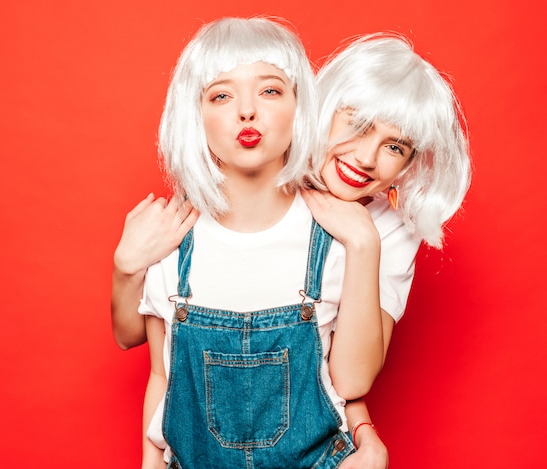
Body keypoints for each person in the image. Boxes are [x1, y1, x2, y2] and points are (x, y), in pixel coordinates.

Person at [112, 17, 389, 468]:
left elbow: (351, 384)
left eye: (270, 90)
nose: (246, 111)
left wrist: (363, 244)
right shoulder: (171, 242)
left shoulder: (336, 241)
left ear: (301, 106)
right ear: (194, 116)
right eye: (221, 95)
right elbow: (161, 378)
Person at [301, 32, 472, 373]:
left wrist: (363, 242)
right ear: (326, 108)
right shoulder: (259, 177)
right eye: (359, 125)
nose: (366, 158)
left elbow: (353, 379)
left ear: (408, 164)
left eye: (395, 147)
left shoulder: (391, 230)